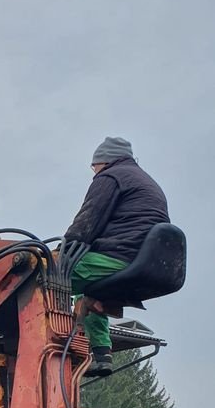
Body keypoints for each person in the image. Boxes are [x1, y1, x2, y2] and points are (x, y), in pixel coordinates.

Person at [65, 136, 170, 376]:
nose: (93, 172)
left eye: (94, 166)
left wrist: (62, 252)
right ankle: (102, 355)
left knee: (45, 275)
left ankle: (52, 345)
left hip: (119, 256)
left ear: (104, 161)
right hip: (145, 261)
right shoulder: (145, 182)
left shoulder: (111, 176)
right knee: (87, 293)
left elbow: (87, 221)